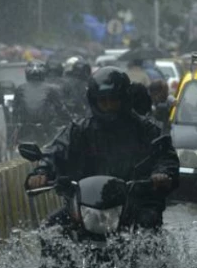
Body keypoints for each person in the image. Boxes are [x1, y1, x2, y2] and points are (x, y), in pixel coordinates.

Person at [25, 67, 180, 237]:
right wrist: (42, 171)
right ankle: (54, 265)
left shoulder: (147, 130)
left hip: (135, 203)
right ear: (94, 101)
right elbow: (56, 150)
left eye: (113, 99)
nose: (108, 105)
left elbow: (166, 157)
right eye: (103, 100)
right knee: (49, 230)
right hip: (86, 205)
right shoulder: (79, 130)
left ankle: (155, 263)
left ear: (124, 98)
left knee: (148, 232)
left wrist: (161, 174)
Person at [12, 60, 69, 145]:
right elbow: (61, 109)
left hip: (27, 130)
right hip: (44, 129)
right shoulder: (51, 89)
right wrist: (69, 120)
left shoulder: (20, 88)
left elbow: (15, 111)